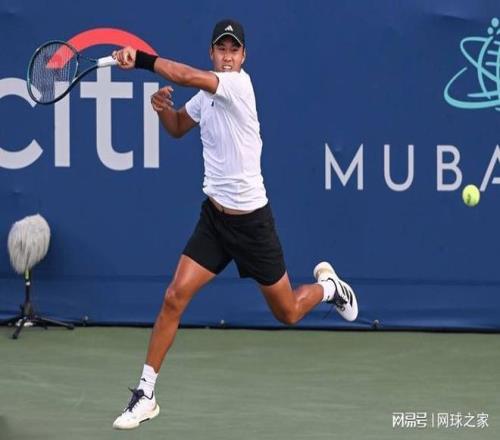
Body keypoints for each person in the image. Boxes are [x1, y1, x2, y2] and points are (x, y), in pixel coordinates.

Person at [111, 19, 359, 430]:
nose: (227, 57)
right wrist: (163, 111)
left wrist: (139, 60)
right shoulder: (204, 100)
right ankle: (146, 394)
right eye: (221, 49)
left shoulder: (238, 86)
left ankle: (330, 288)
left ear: (243, 57)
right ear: (212, 52)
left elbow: (184, 75)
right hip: (214, 221)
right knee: (174, 297)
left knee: (288, 312)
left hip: (252, 225)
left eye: (234, 50)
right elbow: (178, 128)